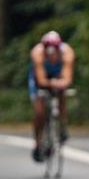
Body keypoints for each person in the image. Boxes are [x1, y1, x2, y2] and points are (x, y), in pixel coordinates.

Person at [28, 30, 75, 162]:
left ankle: (63, 126)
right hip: (40, 77)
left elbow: (67, 78)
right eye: (48, 52)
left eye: (54, 52)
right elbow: (42, 80)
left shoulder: (67, 53)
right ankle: (37, 143)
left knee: (62, 93)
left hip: (57, 75)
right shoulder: (37, 53)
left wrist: (60, 83)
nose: (51, 55)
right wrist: (50, 83)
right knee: (39, 112)